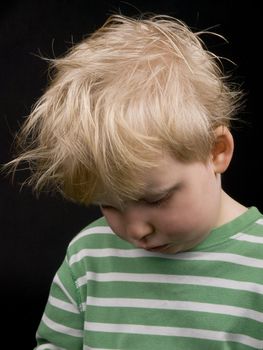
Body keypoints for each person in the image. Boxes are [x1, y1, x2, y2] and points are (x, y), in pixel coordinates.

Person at [6, 13, 263, 350]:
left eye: (155, 199)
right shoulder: (88, 257)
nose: (135, 230)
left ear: (216, 151)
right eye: (109, 205)